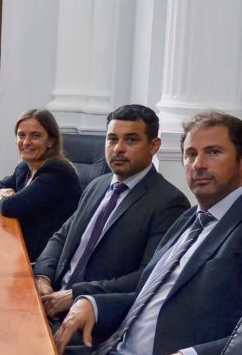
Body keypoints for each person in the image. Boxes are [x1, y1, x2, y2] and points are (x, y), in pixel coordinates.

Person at [54, 111, 242, 355]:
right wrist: (92, 304)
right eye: (190, 154)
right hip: (112, 351)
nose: (197, 164)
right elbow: (150, 299)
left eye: (213, 152)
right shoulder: (191, 218)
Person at [32, 105, 189, 320]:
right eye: (112, 139)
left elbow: (147, 276)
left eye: (131, 140)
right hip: (51, 301)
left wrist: (77, 295)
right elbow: (62, 236)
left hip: (93, 318)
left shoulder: (169, 202)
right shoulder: (97, 185)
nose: (118, 149)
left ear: (154, 146)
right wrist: (43, 277)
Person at [0, 109, 81, 262]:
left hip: (45, 261)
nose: (26, 142)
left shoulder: (57, 173)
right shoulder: (25, 167)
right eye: (21, 135)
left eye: (35, 136)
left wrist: (4, 197)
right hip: (22, 250)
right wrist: (1, 193)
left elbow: (11, 207)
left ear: (50, 141)